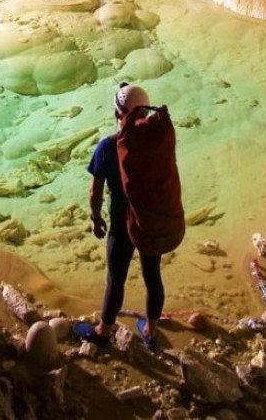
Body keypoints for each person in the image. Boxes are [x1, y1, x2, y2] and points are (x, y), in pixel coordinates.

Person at [72, 82, 165, 350]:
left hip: (122, 224)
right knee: (152, 276)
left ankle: (103, 331)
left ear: (117, 114)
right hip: (149, 221)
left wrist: (96, 218)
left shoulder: (107, 147)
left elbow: (95, 191)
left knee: (116, 277)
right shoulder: (156, 141)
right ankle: (151, 331)